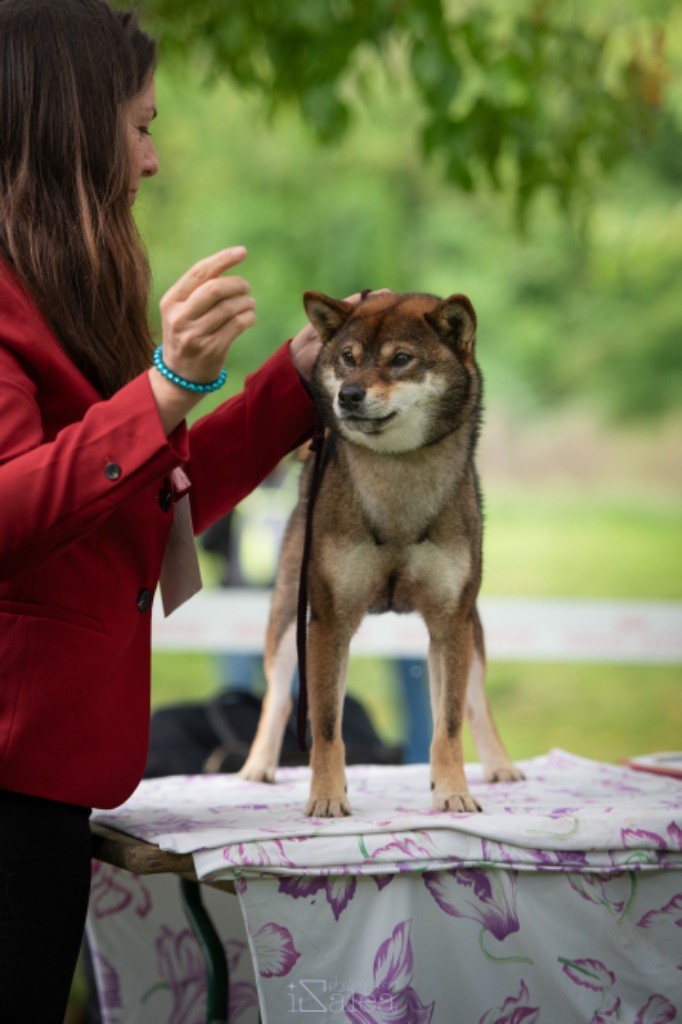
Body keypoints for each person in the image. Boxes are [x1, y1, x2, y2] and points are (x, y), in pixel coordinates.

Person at [0, 2, 326, 1020]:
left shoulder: (57, 288)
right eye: (140, 125)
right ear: (68, 126)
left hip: (43, 785)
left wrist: (294, 385)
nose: (151, 160)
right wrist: (162, 389)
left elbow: (142, 504)